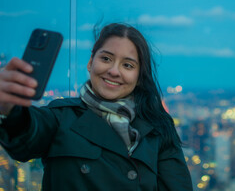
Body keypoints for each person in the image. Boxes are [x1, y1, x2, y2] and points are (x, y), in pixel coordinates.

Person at [0, 23, 193, 191]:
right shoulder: (61, 117)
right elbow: (27, 135)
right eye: (106, 59)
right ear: (91, 62)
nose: (114, 71)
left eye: (127, 65)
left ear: (138, 76)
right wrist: (10, 109)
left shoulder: (157, 129)